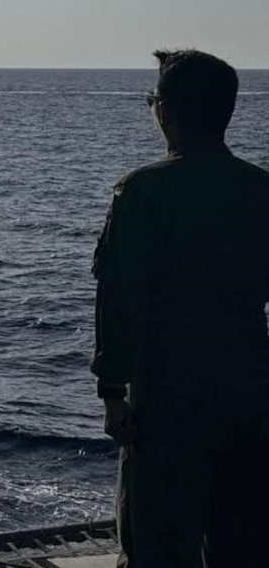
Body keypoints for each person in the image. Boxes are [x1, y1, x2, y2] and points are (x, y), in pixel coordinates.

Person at [92, 49, 269, 567]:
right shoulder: (261, 192)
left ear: (164, 111)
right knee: (245, 545)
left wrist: (112, 394)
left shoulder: (143, 192)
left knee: (157, 547)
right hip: (252, 398)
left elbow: (120, 301)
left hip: (167, 402)